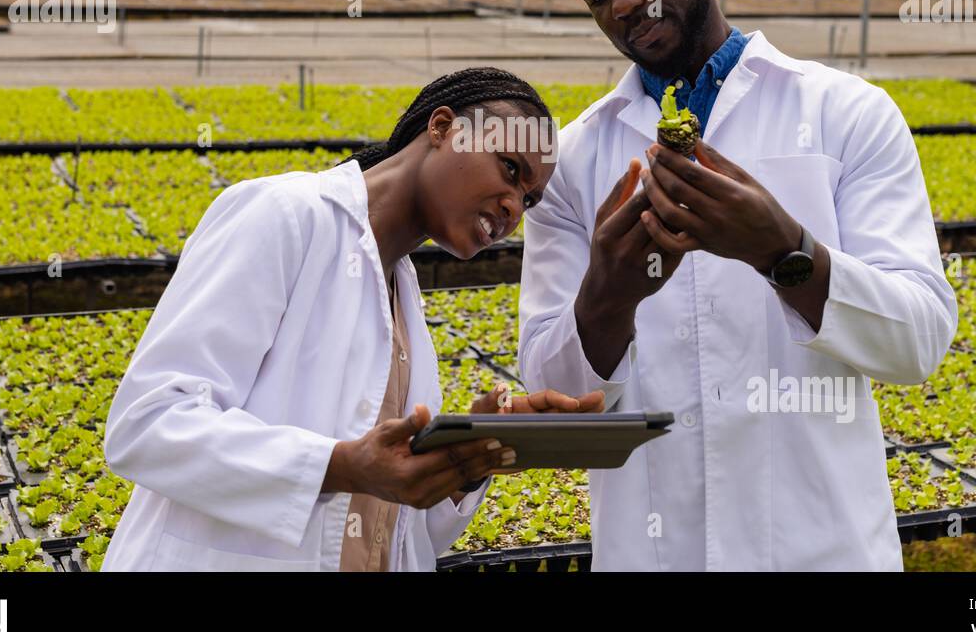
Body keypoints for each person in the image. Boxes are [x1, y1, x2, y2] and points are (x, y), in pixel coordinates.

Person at [518, 0, 957, 570]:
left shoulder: (849, 114)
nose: (625, 2)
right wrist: (609, 292)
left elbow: (919, 339)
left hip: (823, 548)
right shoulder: (575, 159)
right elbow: (559, 404)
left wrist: (785, 250)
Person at [102, 67, 602, 571]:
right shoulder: (284, 216)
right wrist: (340, 466)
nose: (514, 206)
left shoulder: (402, 295)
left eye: (530, 199)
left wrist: (468, 457)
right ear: (443, 127)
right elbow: (148, 422)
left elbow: (395, 529)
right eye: (511, 170)